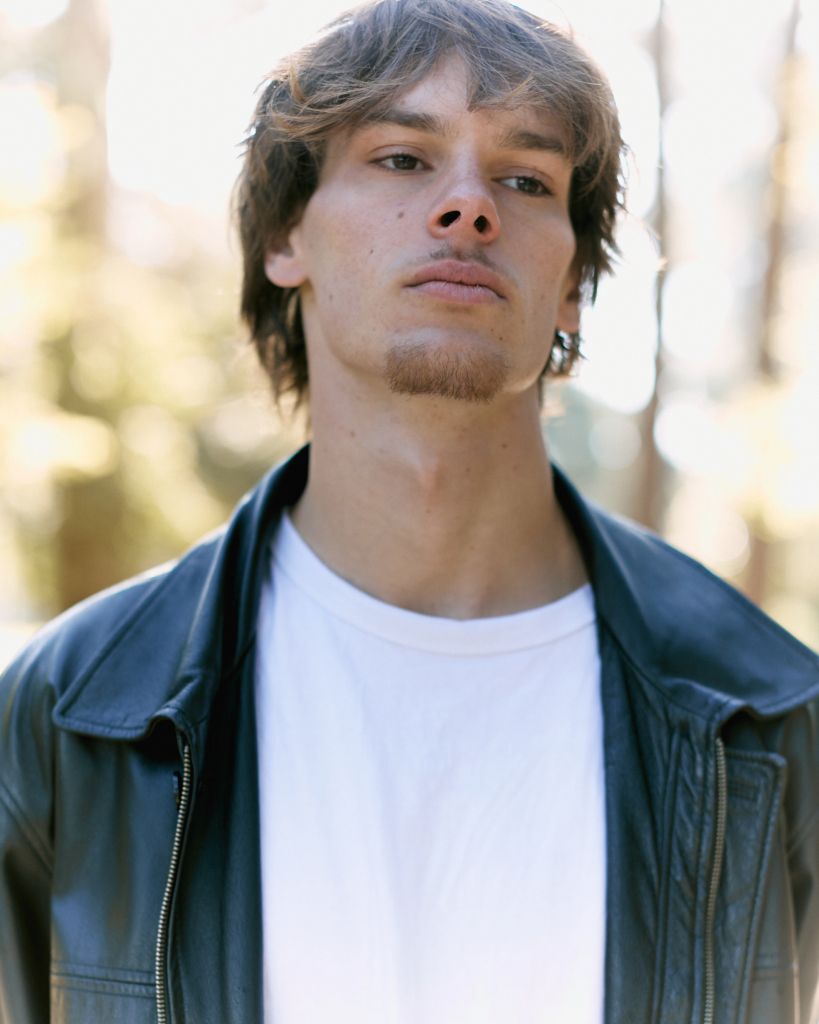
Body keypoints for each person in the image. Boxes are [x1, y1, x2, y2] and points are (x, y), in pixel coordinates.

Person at [1, 0, 817, 1021]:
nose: (468, 206)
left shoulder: (774, 718)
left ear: (572, 283)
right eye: (401, 159)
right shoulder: (65, 718)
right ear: (285, 236)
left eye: (526, 179)